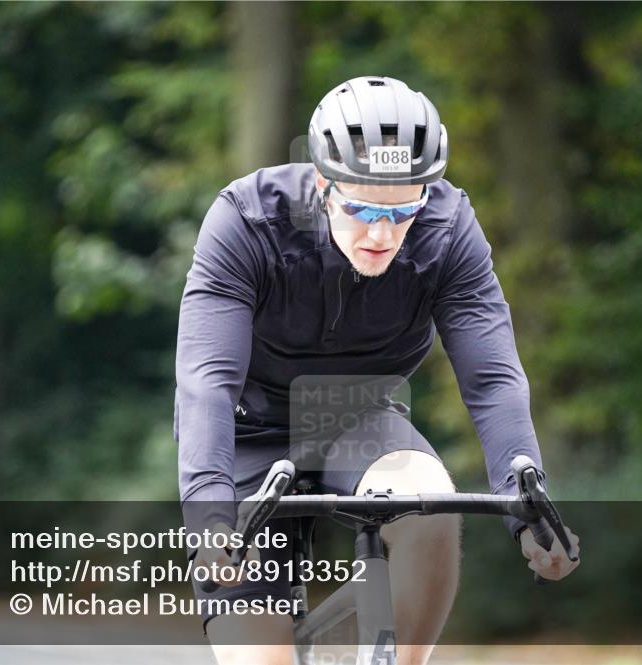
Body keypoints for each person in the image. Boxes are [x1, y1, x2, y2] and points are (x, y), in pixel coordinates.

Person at [175, 75, 580, 665]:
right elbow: (206, 379)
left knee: (431, 505)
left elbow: (491, 378)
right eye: (361, 207)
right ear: (322, 183)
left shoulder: (449, 229)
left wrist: (527, 507)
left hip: (359, 419)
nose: (381, 233)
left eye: (403, 211)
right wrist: (210, 513)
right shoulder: (246, 220)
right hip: (248, 432)